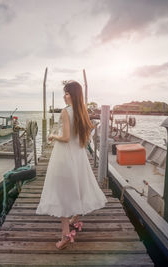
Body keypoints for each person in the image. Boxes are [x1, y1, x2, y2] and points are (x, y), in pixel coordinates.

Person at [36, 81, 107, 249]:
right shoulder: (82, 112)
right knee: (78, 186)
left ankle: (66, 236)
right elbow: (78, 136)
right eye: (64, 93)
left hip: (65, 156)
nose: (64, 96)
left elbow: (66, 137)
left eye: (67, 93)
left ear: (73, 95)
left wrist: (53, 135)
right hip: (78, 155)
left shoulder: (66, 112)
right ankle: (76, 218)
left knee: (62, 193)